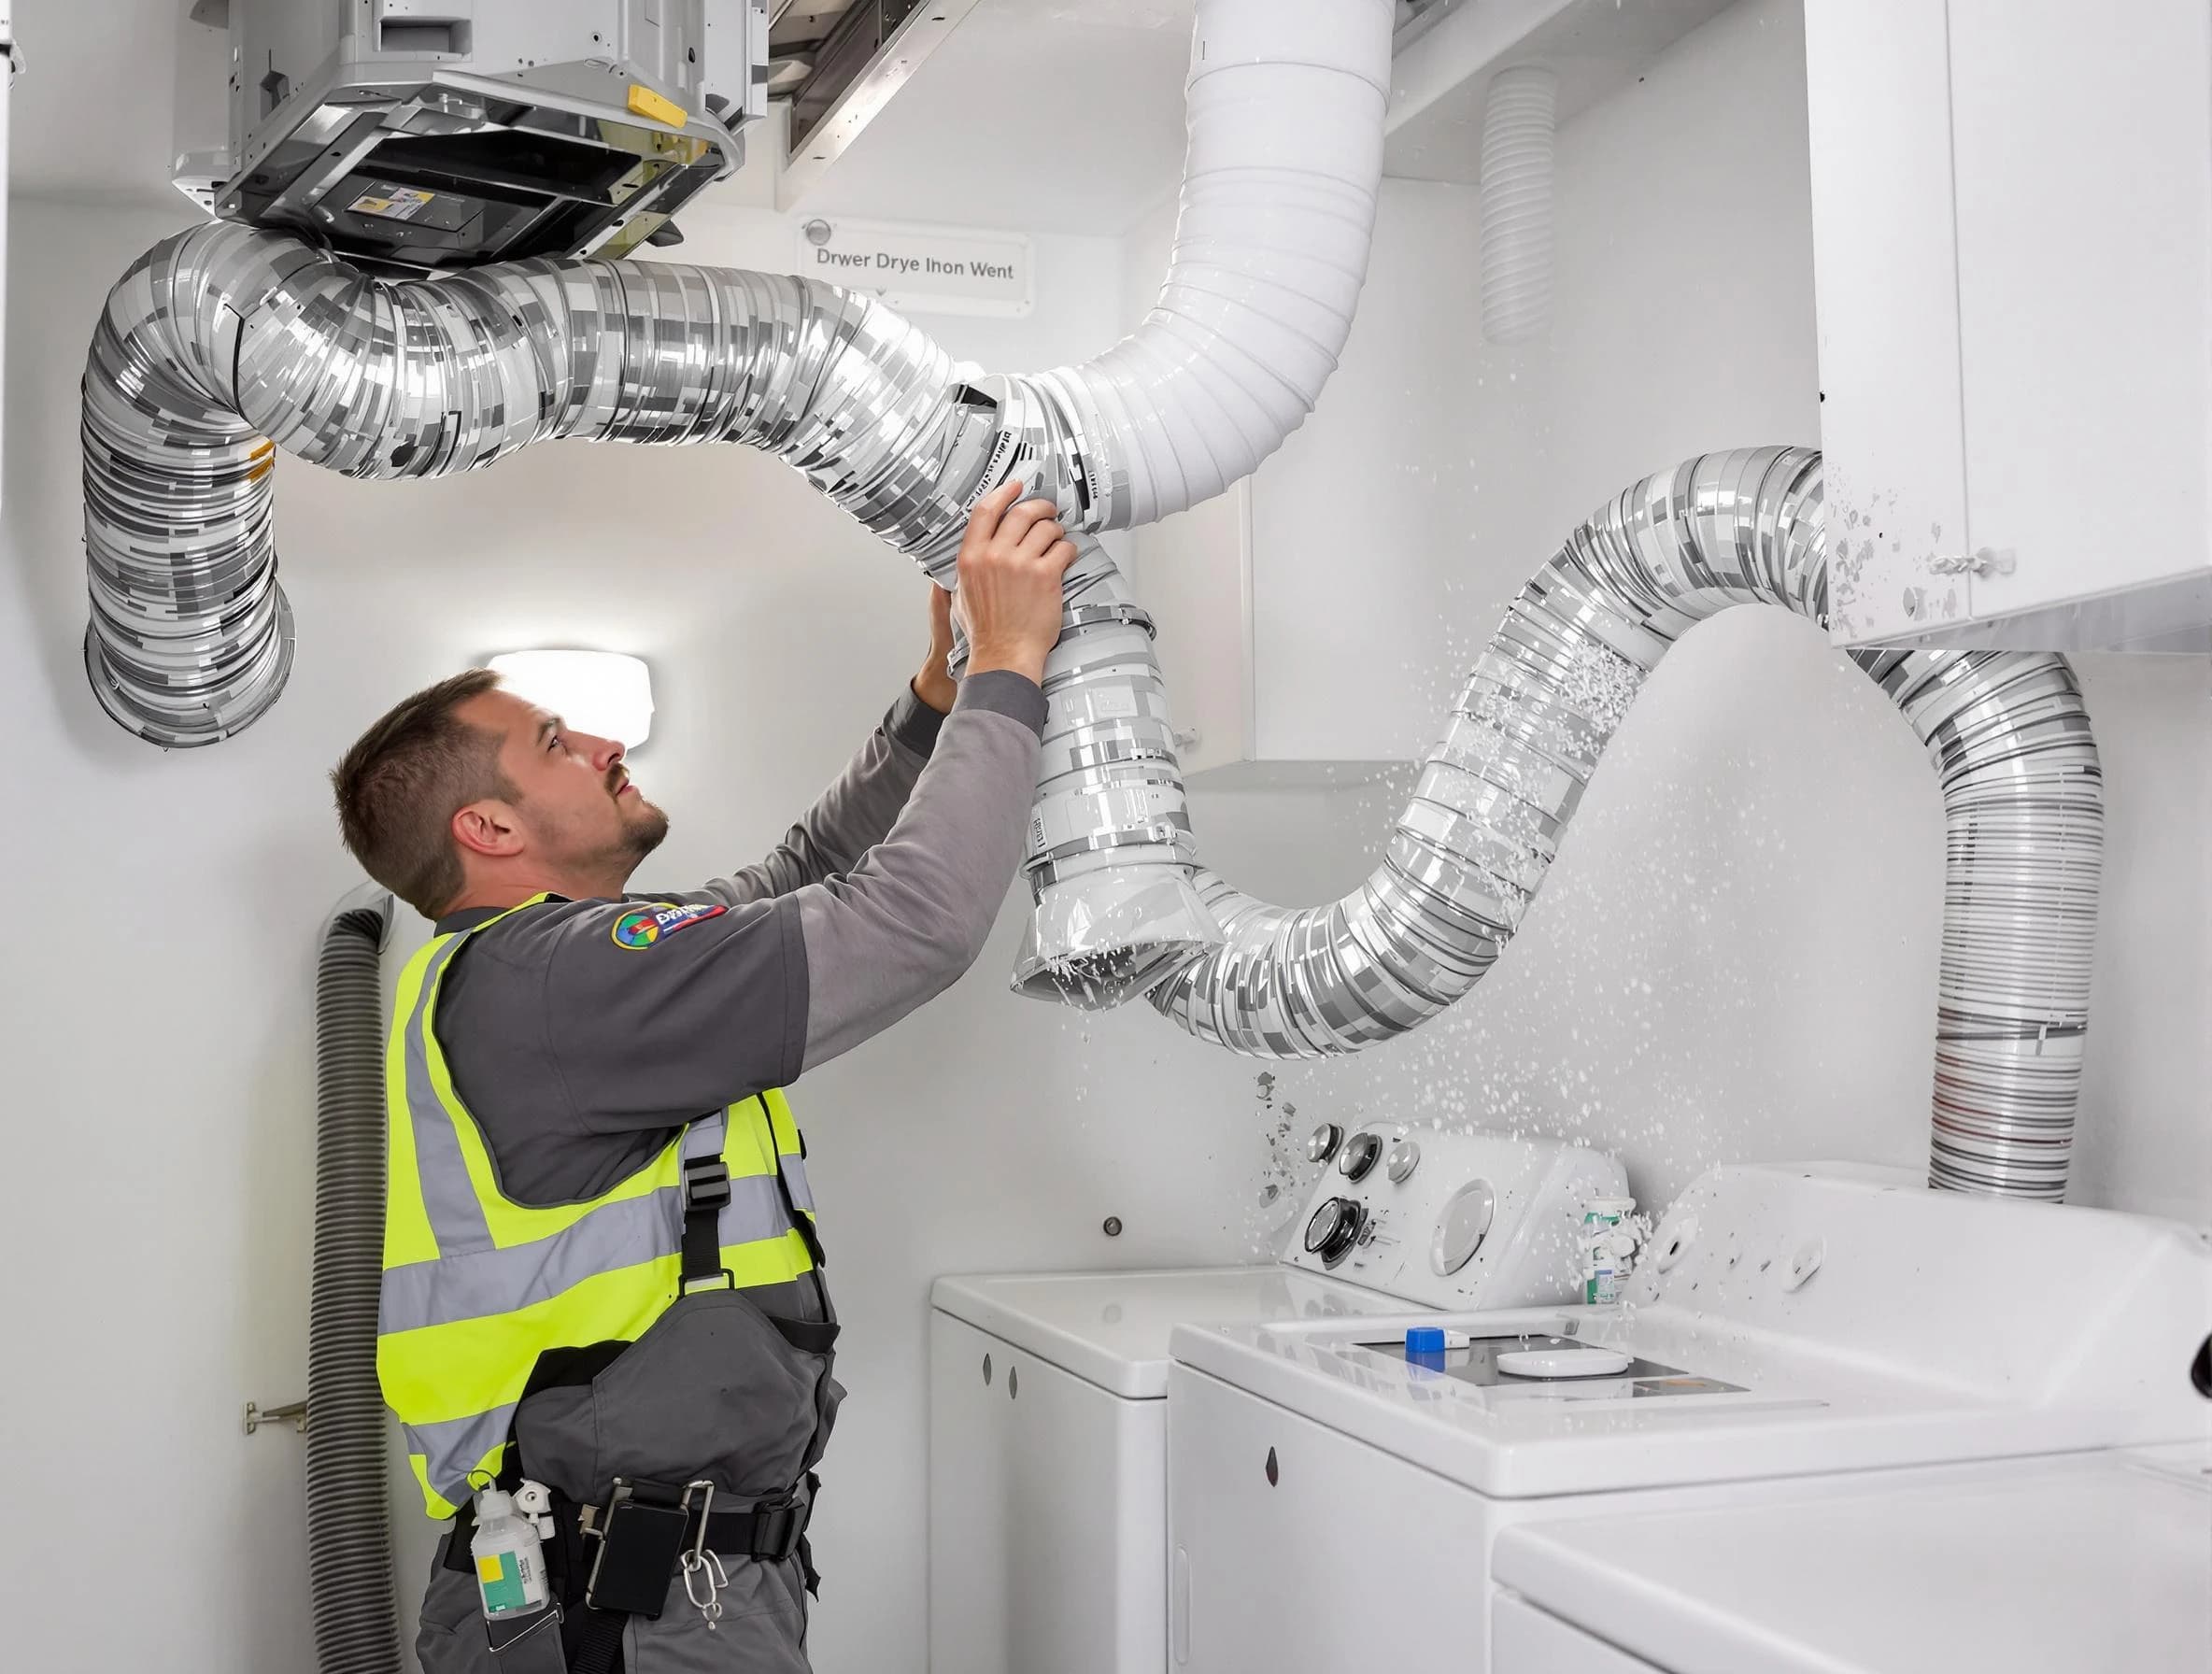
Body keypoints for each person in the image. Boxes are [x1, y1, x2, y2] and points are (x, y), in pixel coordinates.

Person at [329, 479, 1075, 1672]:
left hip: (650, 1591)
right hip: (615, 1611)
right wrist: (1013, 661)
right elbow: (916, 923)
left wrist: (937, 703)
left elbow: (800, 874)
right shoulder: (556, 983)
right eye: (557, 744)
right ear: (489, 829)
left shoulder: (558, 977)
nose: (606, 743)